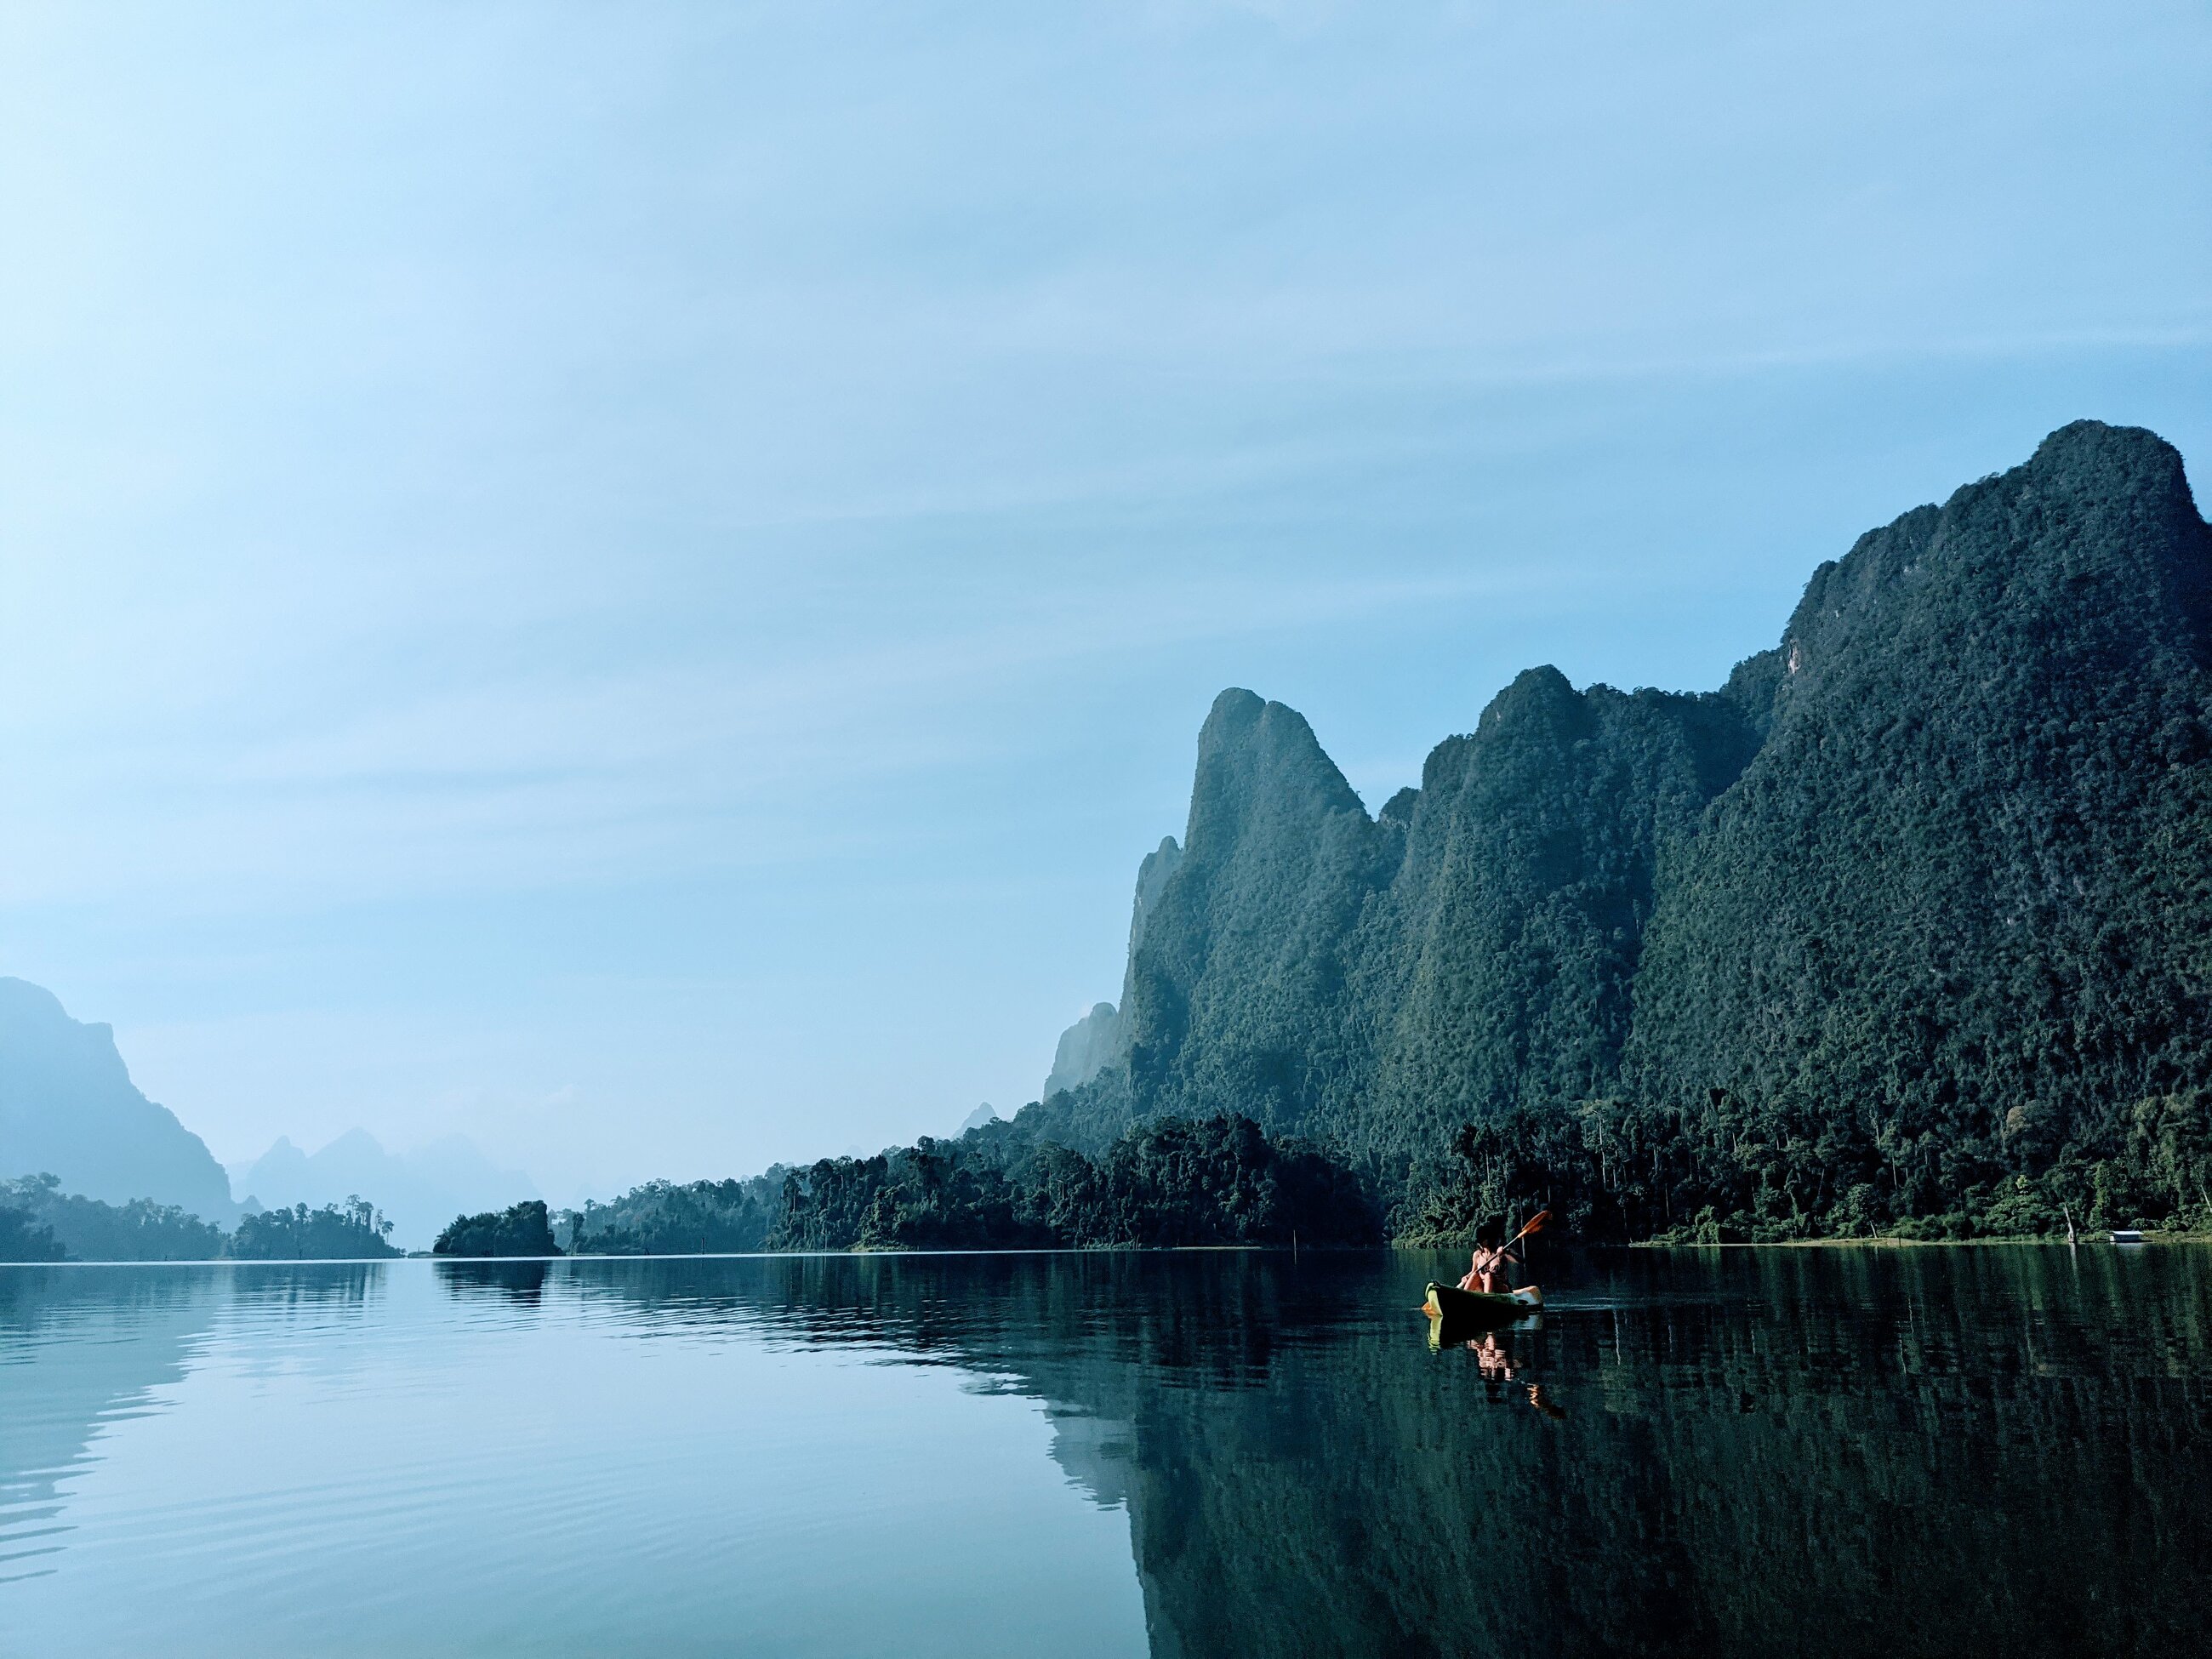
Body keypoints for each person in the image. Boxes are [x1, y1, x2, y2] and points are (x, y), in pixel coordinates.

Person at [1458, 1219, 1519, 1294]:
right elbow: (1473, 1271)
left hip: (1501, 1289)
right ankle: (1463, 1296)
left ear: (1489, 1238)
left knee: (1488, 1275)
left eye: (1482, 1240)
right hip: (1483, 1288)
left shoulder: (1500, 1252)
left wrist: (1507, 1252)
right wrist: (1466, 1276)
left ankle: (1487, 1298)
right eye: (1478, 1241)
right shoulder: (1477, 1254)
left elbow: (1520, 1261)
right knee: (1474, 1275)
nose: (1479, 1243)